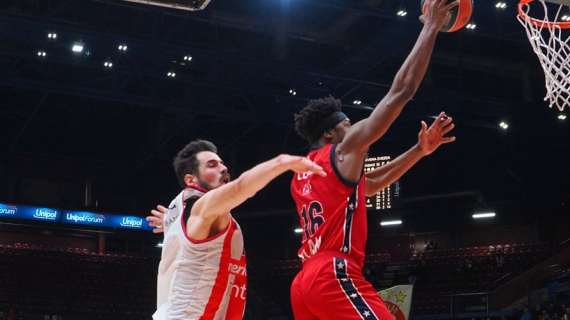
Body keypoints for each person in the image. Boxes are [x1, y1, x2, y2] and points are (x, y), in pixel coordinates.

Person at [289, 0, 457, 317]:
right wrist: (431, 27)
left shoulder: (305, 173)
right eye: (348, 124)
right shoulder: (344, 149)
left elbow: (371, 185)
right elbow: (401, 91)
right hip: (333, 271)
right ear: (330, 134)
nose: (354, 128)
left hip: (304, 280)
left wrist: (419, 151)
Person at [150, 139, 325, 320]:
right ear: (190, 179)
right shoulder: (204, 209)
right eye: (212, 165)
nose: (224, 168)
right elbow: (240, 187)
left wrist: (169, 223)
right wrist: (282, 162)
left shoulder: (183, 211)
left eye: (222, 163)